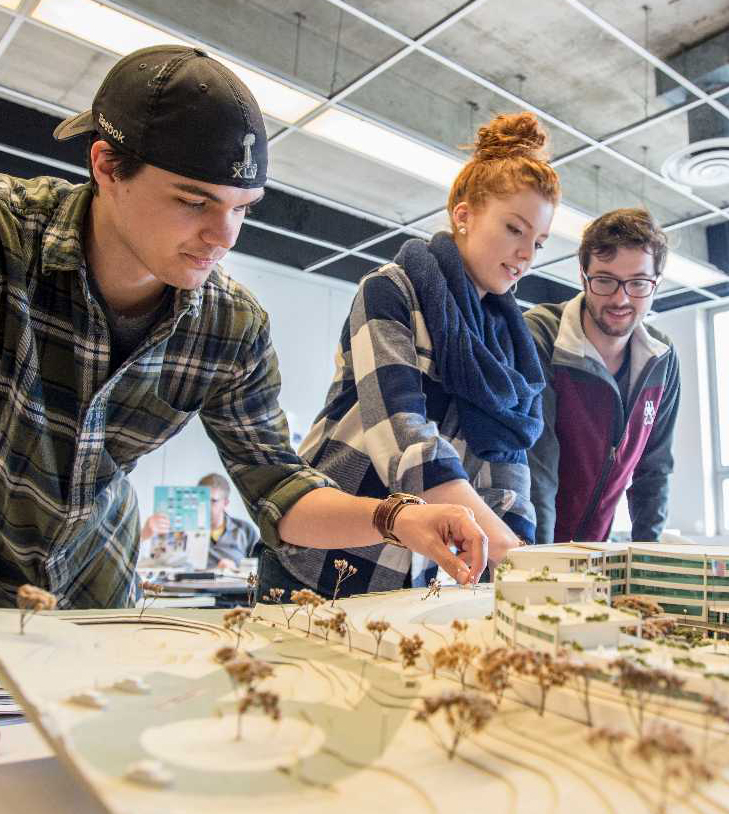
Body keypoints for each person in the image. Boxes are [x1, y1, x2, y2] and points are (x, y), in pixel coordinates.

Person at [0, 45, 489, 609]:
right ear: (108, 166)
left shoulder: (228, 326)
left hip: (91, 585)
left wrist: (396, 516)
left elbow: (278, 489)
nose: (224, 236)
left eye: (243, 208)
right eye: (194, 202)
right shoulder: (15, 242)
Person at [262, 112, 559, 598]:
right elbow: (402, 436)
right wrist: (507, 551)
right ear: (463, 216)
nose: (526, 253)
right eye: (513, 229)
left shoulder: (506, 341)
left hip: (407, 570)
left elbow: (508, 457)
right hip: (320, 557)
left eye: (538, 242)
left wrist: (519, 543)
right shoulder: (391, 291)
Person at [525, 208, 681, 544]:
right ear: (583, 277)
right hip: (527, 547)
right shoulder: (541, 336)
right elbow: (538, 467)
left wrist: (646, 560)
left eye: (638, 283)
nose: (621, 298)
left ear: (656, 284)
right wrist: (541, 563)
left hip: (594, 551)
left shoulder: (662, 358)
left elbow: (654, 470)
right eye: (605, 280)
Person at [140, 473, 259, 569]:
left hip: (231, 595)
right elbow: (155, 561)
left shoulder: (244, 530)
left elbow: (259, 570)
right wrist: (144, 534)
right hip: (187, 593)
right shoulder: (177, 527)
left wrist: (237, 571)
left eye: (212, 501)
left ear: (225, 503)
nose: (205, 506)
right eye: (201, 499)